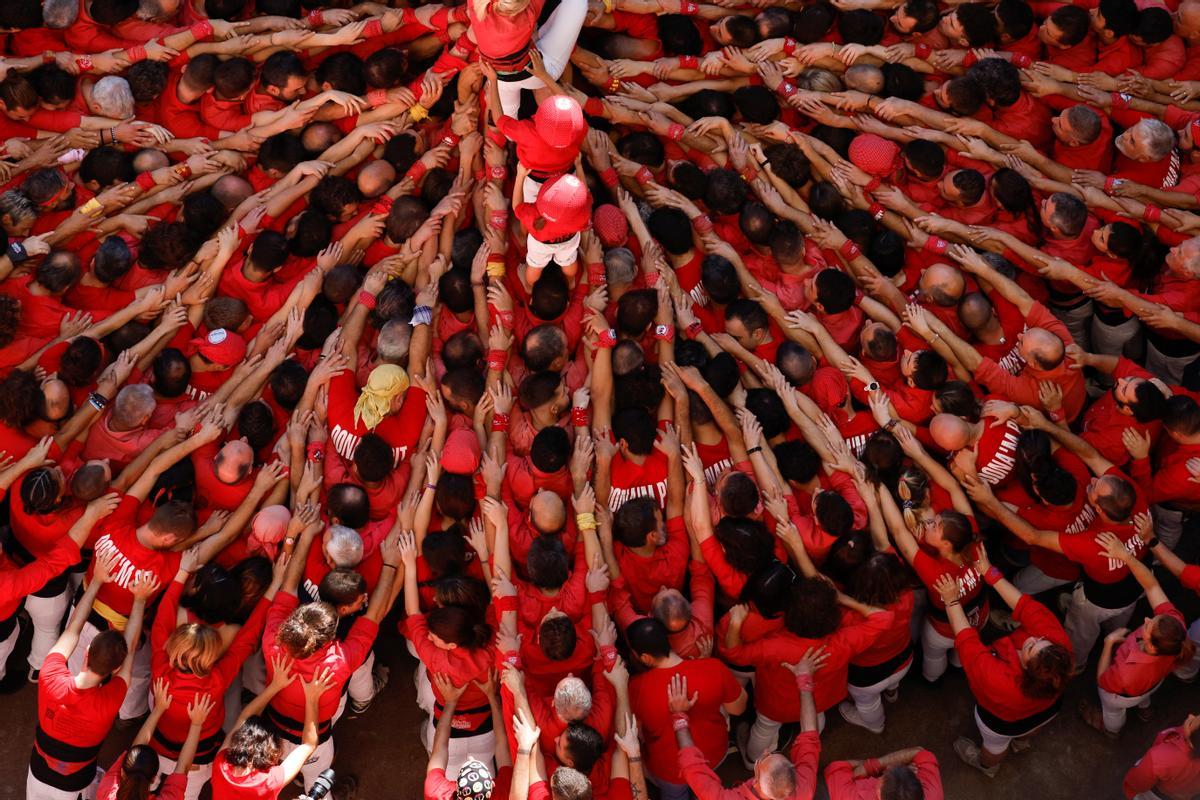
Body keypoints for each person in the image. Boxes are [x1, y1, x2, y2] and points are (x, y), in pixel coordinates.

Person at [938, 550, 1072, 777]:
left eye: (1030, 648)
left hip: (1003, 721)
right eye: (1041, 641)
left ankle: (987, 765)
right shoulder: (1059, 649)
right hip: (1047, 709)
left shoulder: (1000, 681)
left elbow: (967, 640)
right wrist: (988, 573)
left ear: (1026, 672)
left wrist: (951, 600)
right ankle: (1021, 742)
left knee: (995, 746)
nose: (1033, 638)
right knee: (1030, 728)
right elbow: (1023, 605)